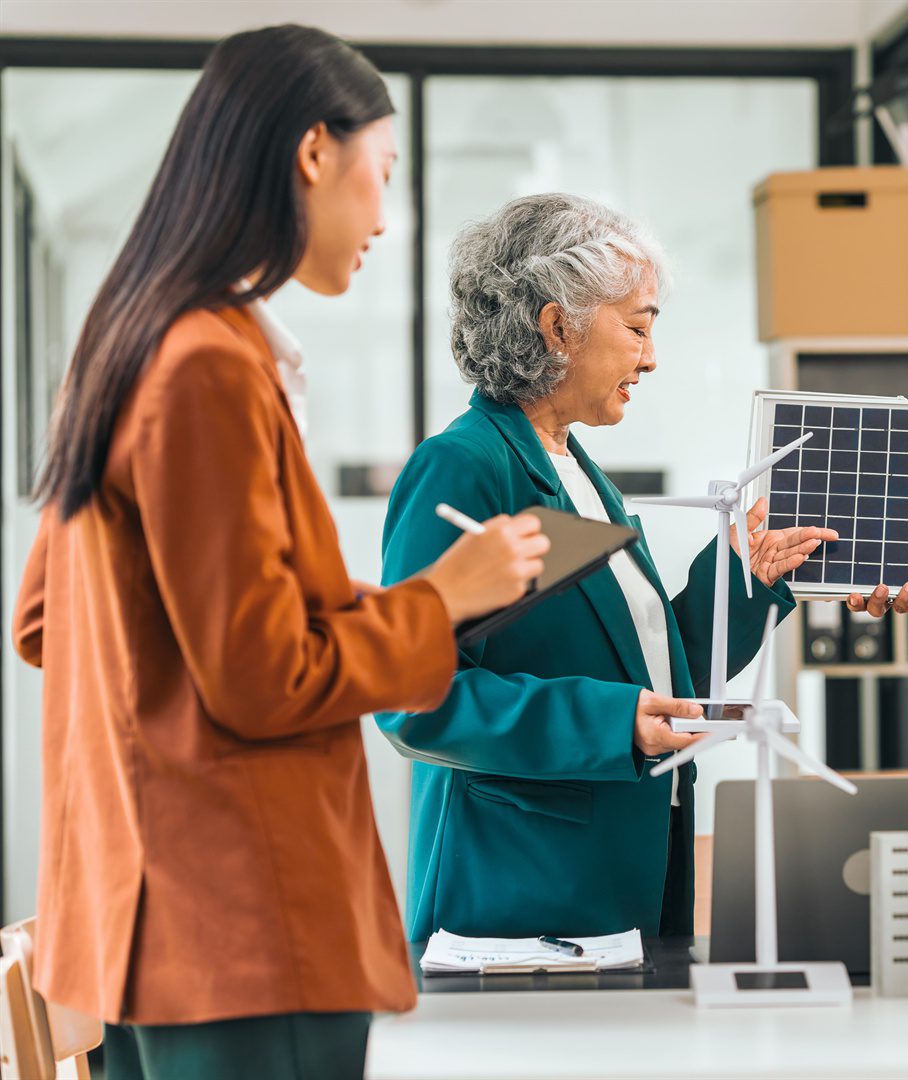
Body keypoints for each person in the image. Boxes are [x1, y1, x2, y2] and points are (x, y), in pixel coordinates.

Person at [10, 26, 548, 1079]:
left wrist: (339, 605)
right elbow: (261, 680)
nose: (384, 220)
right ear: (314, 152)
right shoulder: (208, 364)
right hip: (245, 928)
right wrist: (437, 600)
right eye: (380, 175)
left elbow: (48, 621)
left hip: (141, 925)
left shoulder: (128, 340)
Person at [377, 193, 834, 942]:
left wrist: (743, 578)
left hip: (626, 873)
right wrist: (611, 721)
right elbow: (412, 697)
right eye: (638, 327)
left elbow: (658, 676)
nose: (651, 357)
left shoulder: (583, 474)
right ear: (558, 328)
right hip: (519, 889)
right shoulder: (463, 466)